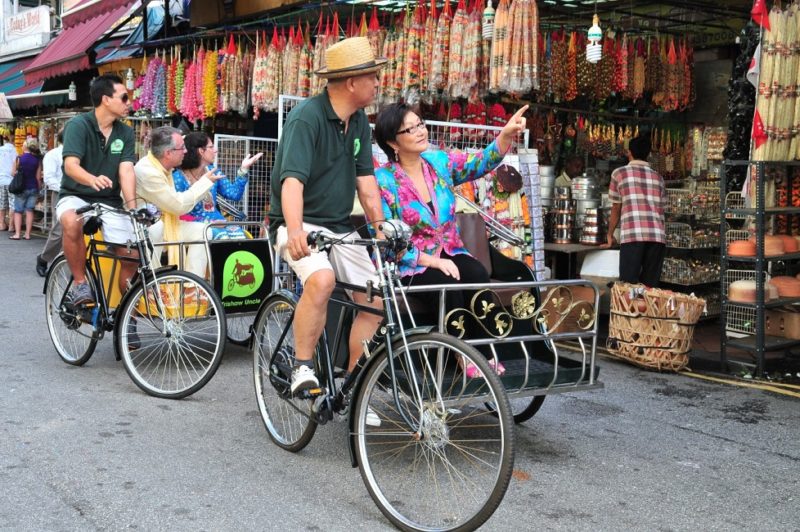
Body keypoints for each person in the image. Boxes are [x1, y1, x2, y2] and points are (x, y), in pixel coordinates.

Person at [268, 36, 387, 395]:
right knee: (321, 280)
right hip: (297, 221)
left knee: (377, 300)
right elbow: (292, 183)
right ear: (352, 82)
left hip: (338, 226)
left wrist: (381, 230)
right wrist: (294, 231)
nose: (378, 83)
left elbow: (366, 183)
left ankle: (354, 387)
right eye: (373, 77)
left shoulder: (360, 121)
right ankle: (302, 367)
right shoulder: (307, 118)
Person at [372, 103, 526, 378]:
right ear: (392, 141)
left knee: (477, 272)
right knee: (446, 285)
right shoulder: (384, 180)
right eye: (410, 128)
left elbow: (479, 162)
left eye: (420, 124)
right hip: (410, 262)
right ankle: (461, 351)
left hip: (450, 250)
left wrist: (505, 135)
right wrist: (430, 260)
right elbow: (386, 240)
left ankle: (486, 350)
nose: (420, 131)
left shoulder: (439, 163)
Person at [58, 74, 138, 306]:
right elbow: (71, 166)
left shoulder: (125, 132)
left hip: (109, 201)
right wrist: (91, 179)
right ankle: (80, 283)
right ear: (106, 99)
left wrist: (133, 209)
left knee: (132, 256)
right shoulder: (78, 125)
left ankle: (127, 316)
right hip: (75, 195)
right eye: (124, 97)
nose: (129, 102)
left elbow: (126, 172)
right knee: (72, 222)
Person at [134, 127, 229, 279]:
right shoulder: (148, 171)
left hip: (168, 222)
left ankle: (192, 285)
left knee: (203, 231)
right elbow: (178, 206)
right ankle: (152, 284)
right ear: (168, 153)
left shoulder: (167, 167)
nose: (186, 151)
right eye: (182, 148)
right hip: (144, 227)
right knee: (156, 229)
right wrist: (204, 183)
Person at [172, 131, 262, 240]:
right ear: (201, 151)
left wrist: (243, 169)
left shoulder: (213, 171)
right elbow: (177, 211)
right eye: (211, 147)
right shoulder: (178, 178)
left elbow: (234, 194)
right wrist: (208, 222)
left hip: (218, 224)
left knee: (240, 236)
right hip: (194, 227)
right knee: (221, 237)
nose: (216, 150)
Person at [605, 135, 666, 286]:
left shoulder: (619, 174)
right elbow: (662, 208)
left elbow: (616, 207)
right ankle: (648, 310)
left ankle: (630, 310)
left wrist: (609, 234)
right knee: (650, 288)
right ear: (648, 154)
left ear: (629, 152)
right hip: (657, 238)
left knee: (628, 286)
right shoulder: (658, 177)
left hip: (633, 235)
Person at [36, 129, 64, 276]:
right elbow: (49, 178)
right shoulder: (53, 155)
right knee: (59, 230)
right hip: (61, 194)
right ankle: (43, 258)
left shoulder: (83, 152)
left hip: (81, 193)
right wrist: (65, 188)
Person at [9, 138, 42, 240]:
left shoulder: (19, 158)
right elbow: (38, 177)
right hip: (33, 187)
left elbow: (12, 173)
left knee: (18, 211)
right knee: (29, 210)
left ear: (25, 147)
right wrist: (39, 188)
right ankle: (27, 234)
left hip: (21, 188)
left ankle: (17, 234)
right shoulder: (37, 160)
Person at [0, 132, 16, 232]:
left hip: (1, 180)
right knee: (12, 204)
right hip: (11, 181)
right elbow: (15, 168)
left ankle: (1, 224)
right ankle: (11, 225)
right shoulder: (15, 151)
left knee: (1, 203)